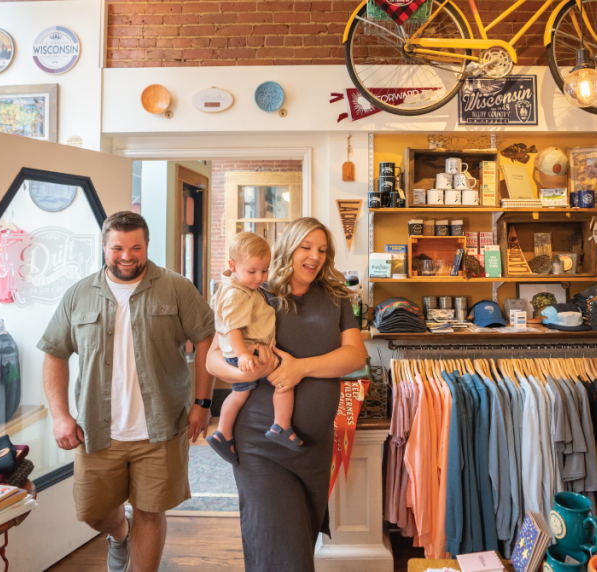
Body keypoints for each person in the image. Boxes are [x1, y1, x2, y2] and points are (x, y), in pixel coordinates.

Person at [38, 211, 216, 572]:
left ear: (147, 245)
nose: (127, 255)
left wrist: (203, 403)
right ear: (104, 246)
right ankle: (120, 534)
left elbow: (205, 339)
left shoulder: (176, 287)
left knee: (151, 511)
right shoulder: (79, 295)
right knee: (94, 512)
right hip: (97, 430)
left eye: (136, 247)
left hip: (161, 428)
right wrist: (60, 416)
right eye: (117, 247)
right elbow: (54, 353)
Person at [207, 217, 367, 572]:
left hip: (311, 448)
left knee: (297, 548)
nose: (314, 257)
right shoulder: (257, 291)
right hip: (261, 445)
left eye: (322, 250)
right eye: (305, 248)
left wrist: (299, 367)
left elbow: (355, 356)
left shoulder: (336, 297)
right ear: (287, 249)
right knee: (282, 556)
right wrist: (248, 370)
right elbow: (213, 359)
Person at [206, 231, 301, 466]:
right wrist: (243, 355)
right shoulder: (236, 294)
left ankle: (222, 433)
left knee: (239, 394)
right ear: (233, 265)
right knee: (284, 380)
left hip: (247, 351)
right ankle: (281, 425)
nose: (260, 277)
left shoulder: (242, 287)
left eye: (265, 270)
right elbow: (232, 329)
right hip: (247, 352)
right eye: (252, 271)